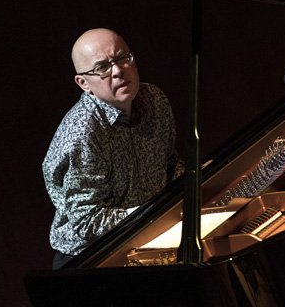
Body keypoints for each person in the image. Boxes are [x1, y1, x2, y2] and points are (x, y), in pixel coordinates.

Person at [43, 28, 184, 269]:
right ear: (83, 83)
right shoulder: (84, 133)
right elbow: (87, 221)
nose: (118, 71)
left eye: (122, 58)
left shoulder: (155, 100)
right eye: (102, 68)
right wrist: (155, 215)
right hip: (92, 260)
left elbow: (170, 164)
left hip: (148, 237)